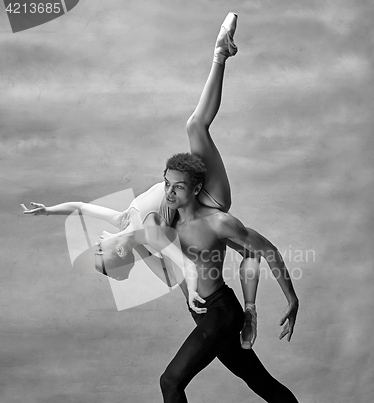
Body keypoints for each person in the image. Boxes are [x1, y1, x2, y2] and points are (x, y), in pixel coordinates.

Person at [135, 15, 336, 403]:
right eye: (166, 185)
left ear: (197, 188)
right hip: (205, 309)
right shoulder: (168, 212)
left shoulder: (217, 218)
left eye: (178, 187)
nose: (169, 193)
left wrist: (289, 299)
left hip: (220, 312)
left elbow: (265, 252)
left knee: (171, 381)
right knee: (260, 382)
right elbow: (159, 251)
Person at [22, 12, 259, 348]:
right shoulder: (151, 238)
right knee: (196, 128)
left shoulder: (123, 220)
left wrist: (48, 211)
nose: (98, 244)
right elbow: (181, 267)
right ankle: (249, 311)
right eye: (102, 251)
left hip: (192, 186)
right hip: (211, 200)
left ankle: (222, 52)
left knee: (194, 126)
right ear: (119, 251)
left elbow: (79, 207)